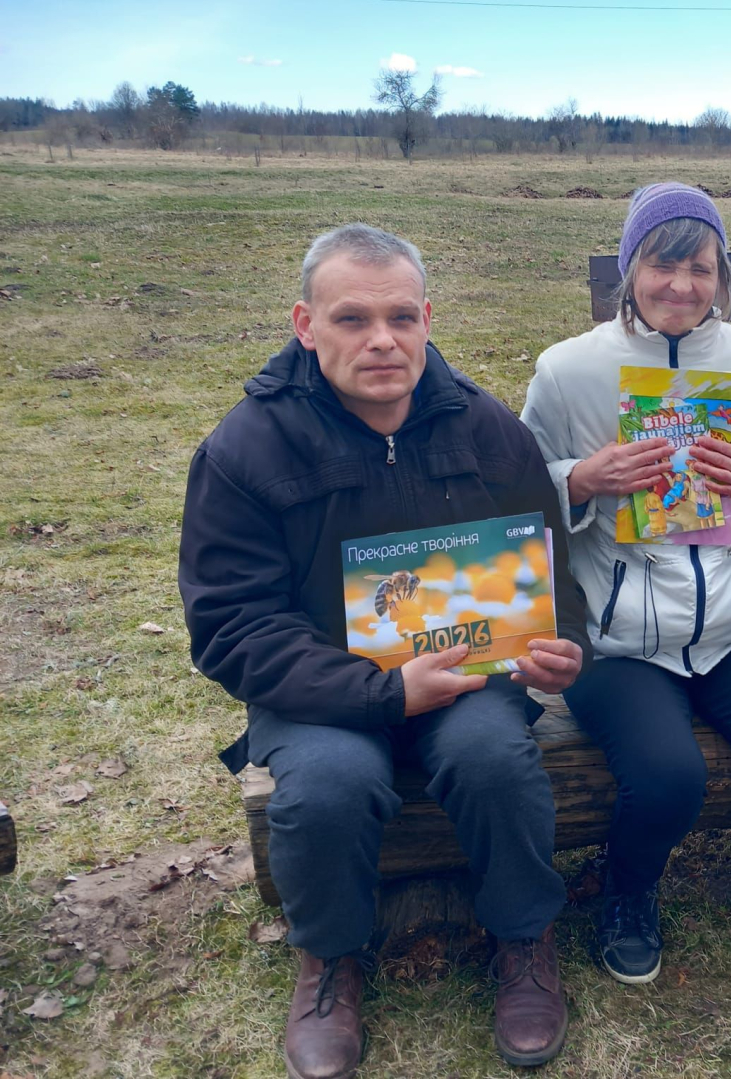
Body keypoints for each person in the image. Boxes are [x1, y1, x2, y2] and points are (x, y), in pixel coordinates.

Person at [179, 224, 589, 1076]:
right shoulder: (246, 448)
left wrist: (561, 645)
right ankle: (329, 958)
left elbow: (550, 569)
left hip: (470, 674)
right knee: (328, 783)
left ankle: (522, 938)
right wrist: (381, 693)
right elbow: (232, 626)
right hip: (326, 688)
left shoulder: (486, 427)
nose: (382, 340)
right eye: (352, 318)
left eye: (402, 317)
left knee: (493, 758)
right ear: (305, 324)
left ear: (428, 318)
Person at [521, 183, 731, 985]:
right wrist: (582, 479)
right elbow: (524, 499)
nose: (680, 287)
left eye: (699, 269)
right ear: (630, 268)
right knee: (669, 779)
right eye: (662, 267)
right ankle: (628, 891)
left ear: (721, 274)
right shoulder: (567, 370)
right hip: (615, 634)